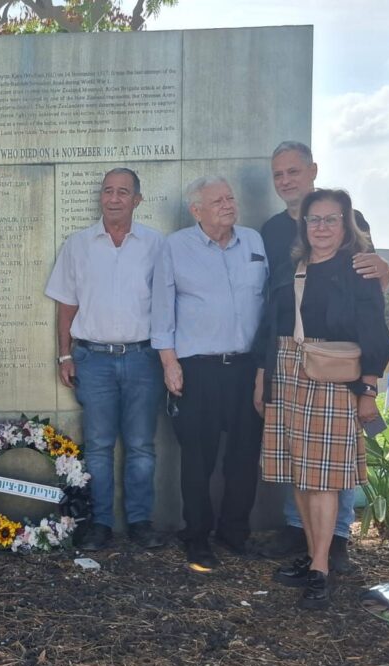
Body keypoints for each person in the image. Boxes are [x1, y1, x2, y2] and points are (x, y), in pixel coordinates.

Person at [254, 188, 389, 609]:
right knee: (300, 474)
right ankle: (315, 555)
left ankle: (320, 569)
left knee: (324, 479)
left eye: (332, 219)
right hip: (286, 373)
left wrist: (368, 390)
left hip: (333, 379)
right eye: (315, 220)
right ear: (304, 225)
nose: (322, 227)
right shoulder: (290, 268)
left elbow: (375, 335)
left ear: (346, 225)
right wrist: (262, 377)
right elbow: (270, 326)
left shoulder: (358, 270)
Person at [44, 168, 166, 551]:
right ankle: (99, 523)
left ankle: (140, 522)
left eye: (123, 192)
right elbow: (67, 306)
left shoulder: (156, 244)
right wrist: (64, 354)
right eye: (108, 191)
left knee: (141, 446)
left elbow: (167, 305)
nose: (114, 199)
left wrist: (169, 359)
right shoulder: (78, 244)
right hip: (93, 360)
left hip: (143, 359)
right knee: (97, 446)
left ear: (137, 200)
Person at [151, 176, 266, 572]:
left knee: (244, 456)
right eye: (217, 201)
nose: (228, 204)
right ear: (196, 210)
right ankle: (196, 536)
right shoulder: (175, 246)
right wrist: (169, 364)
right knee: (197, 459)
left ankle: (234, 532)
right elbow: (162, 312)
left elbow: (268, 303)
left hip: (247, 368)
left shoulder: (253, 241)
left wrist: (264, 368)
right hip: (197, 370)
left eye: (230, 197)